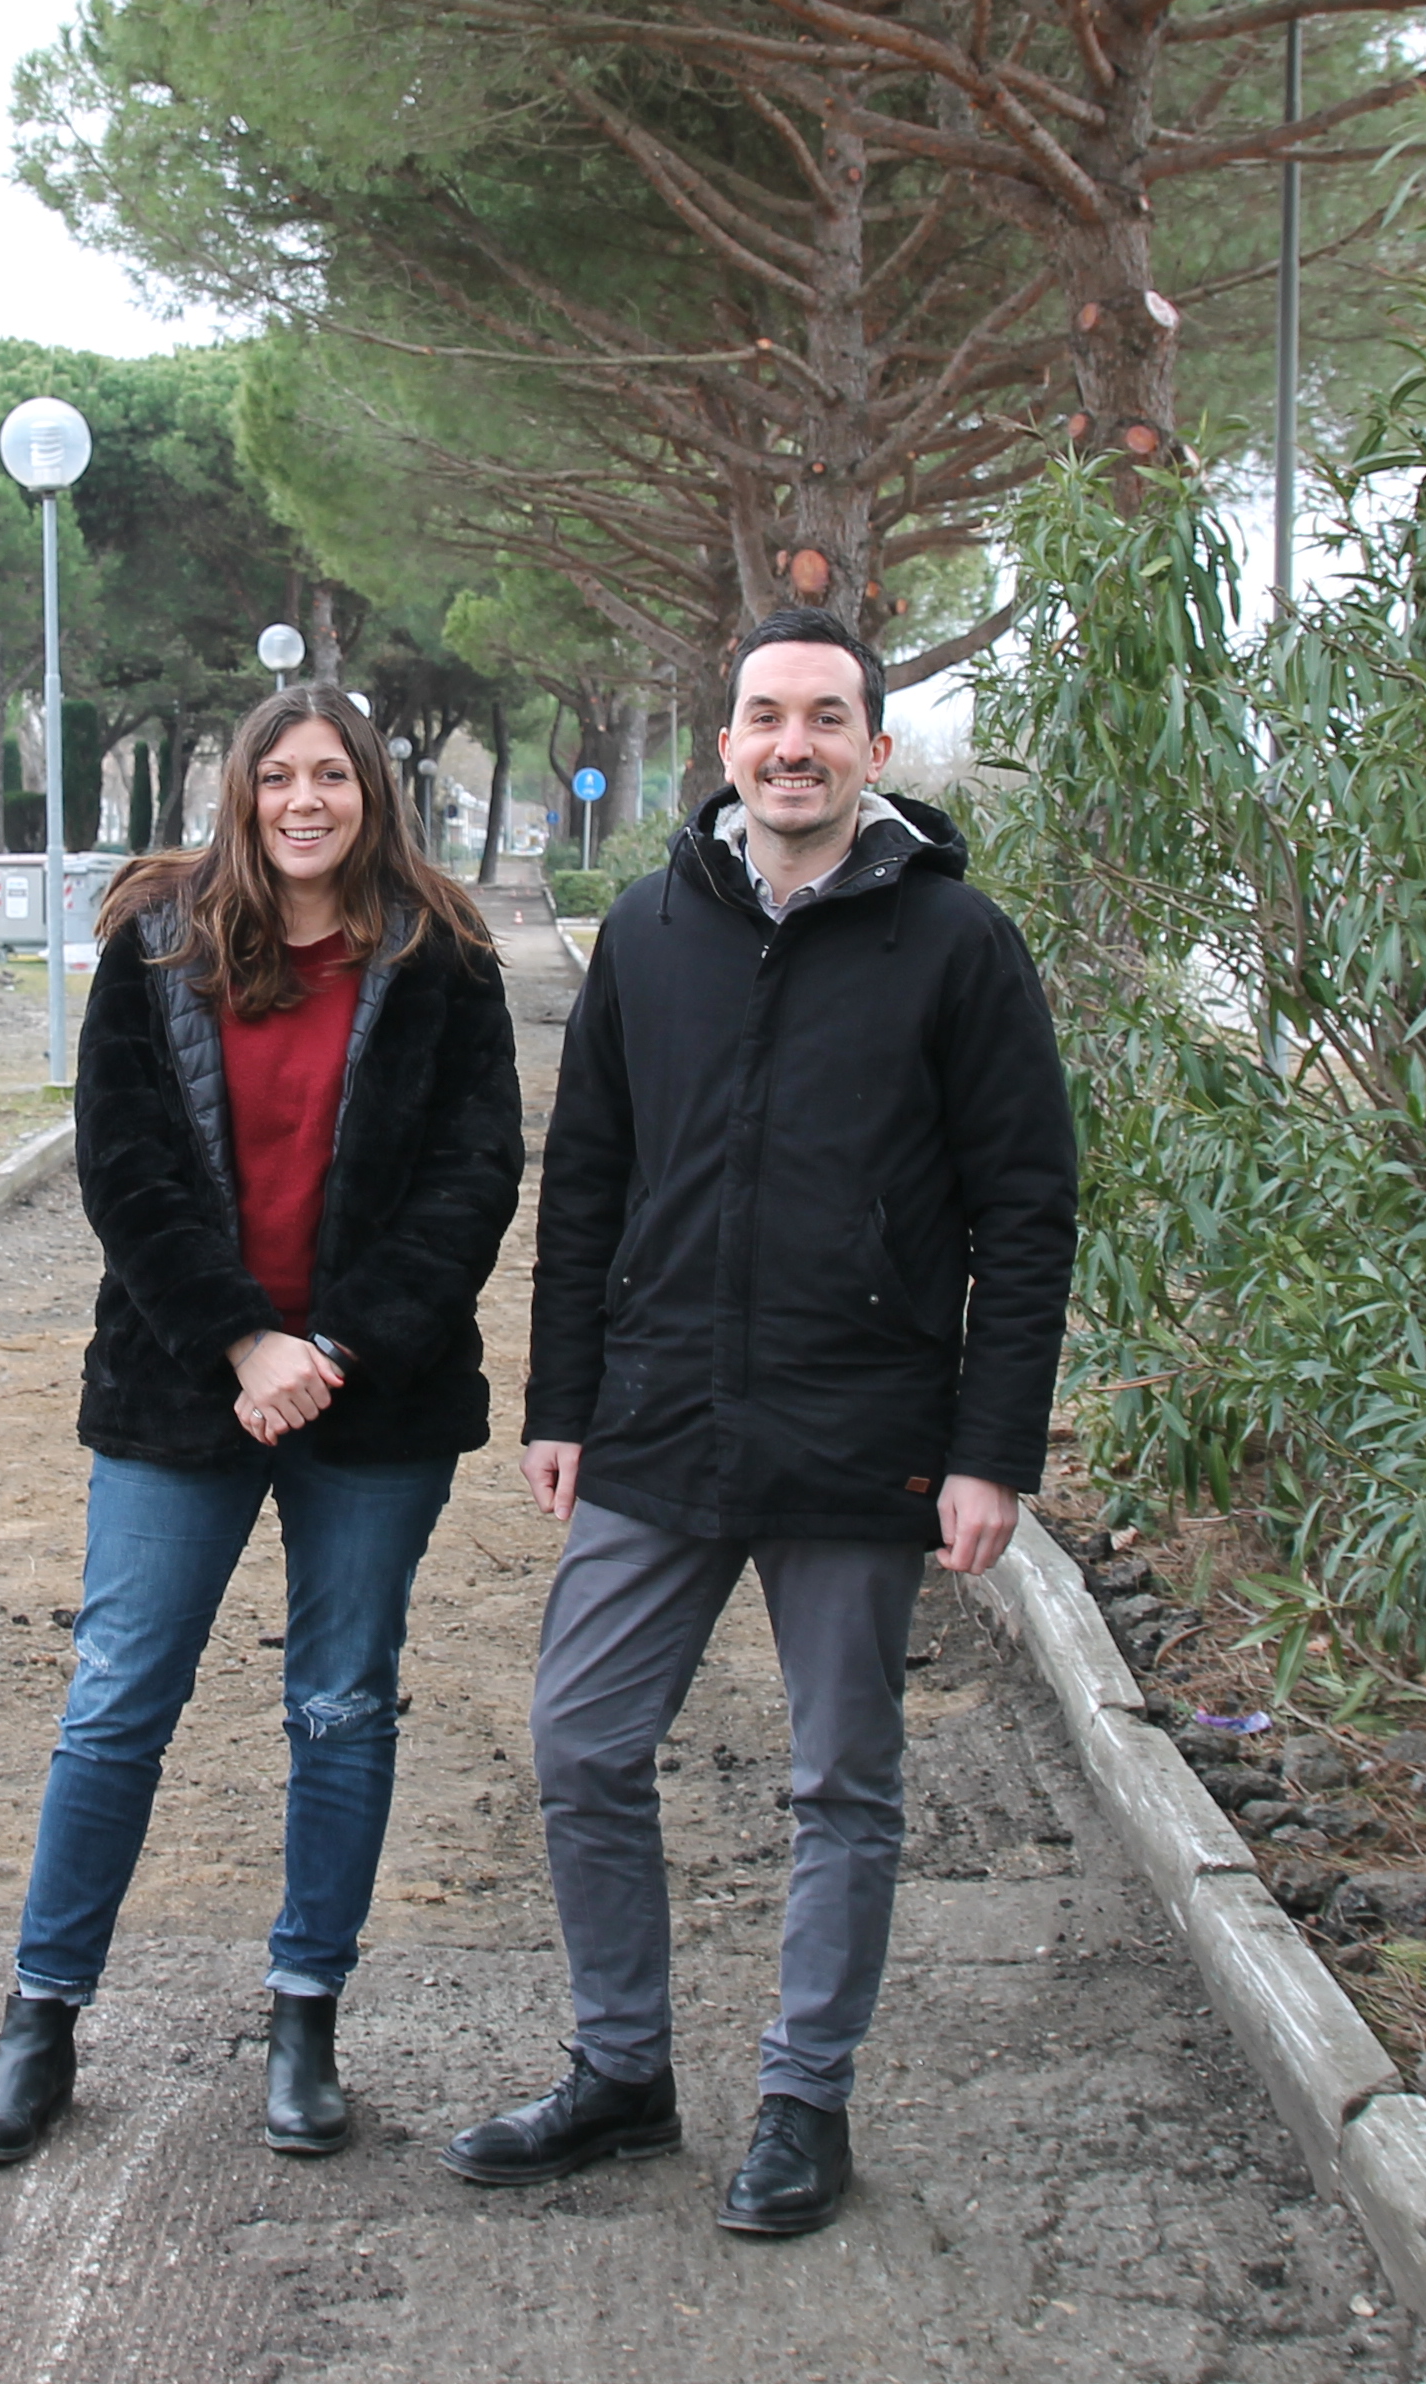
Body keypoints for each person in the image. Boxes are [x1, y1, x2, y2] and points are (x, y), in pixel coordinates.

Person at [443, 606, 1076, 2238]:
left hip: (864, 1430)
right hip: (657, 1417)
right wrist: (561, 1399)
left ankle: (806, 2102)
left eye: (826, 716)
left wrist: (996, 1448)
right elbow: (584, 1176)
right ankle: (623, 2074)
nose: (792, 743)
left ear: (873, 747)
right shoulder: (652, 927)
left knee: (841, 1784)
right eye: (763, 716)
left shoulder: (958, 945)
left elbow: (1028, 1206)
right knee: (583, 1743)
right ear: (722, 745)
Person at [0, 681, 524, 2166]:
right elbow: (122, 1167)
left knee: (340, 1703)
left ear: (373, 792)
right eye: (280, 777)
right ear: (242, 794)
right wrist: (241, 1338)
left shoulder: (445, 953)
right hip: (178, 1383)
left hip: (369, 1397)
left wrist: (331, 1347)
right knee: (118, 1698)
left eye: (332, 775)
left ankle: (303, 2020)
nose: (306, 802)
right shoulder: (156, 941)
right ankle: (40, 2023)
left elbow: (474, 1179)